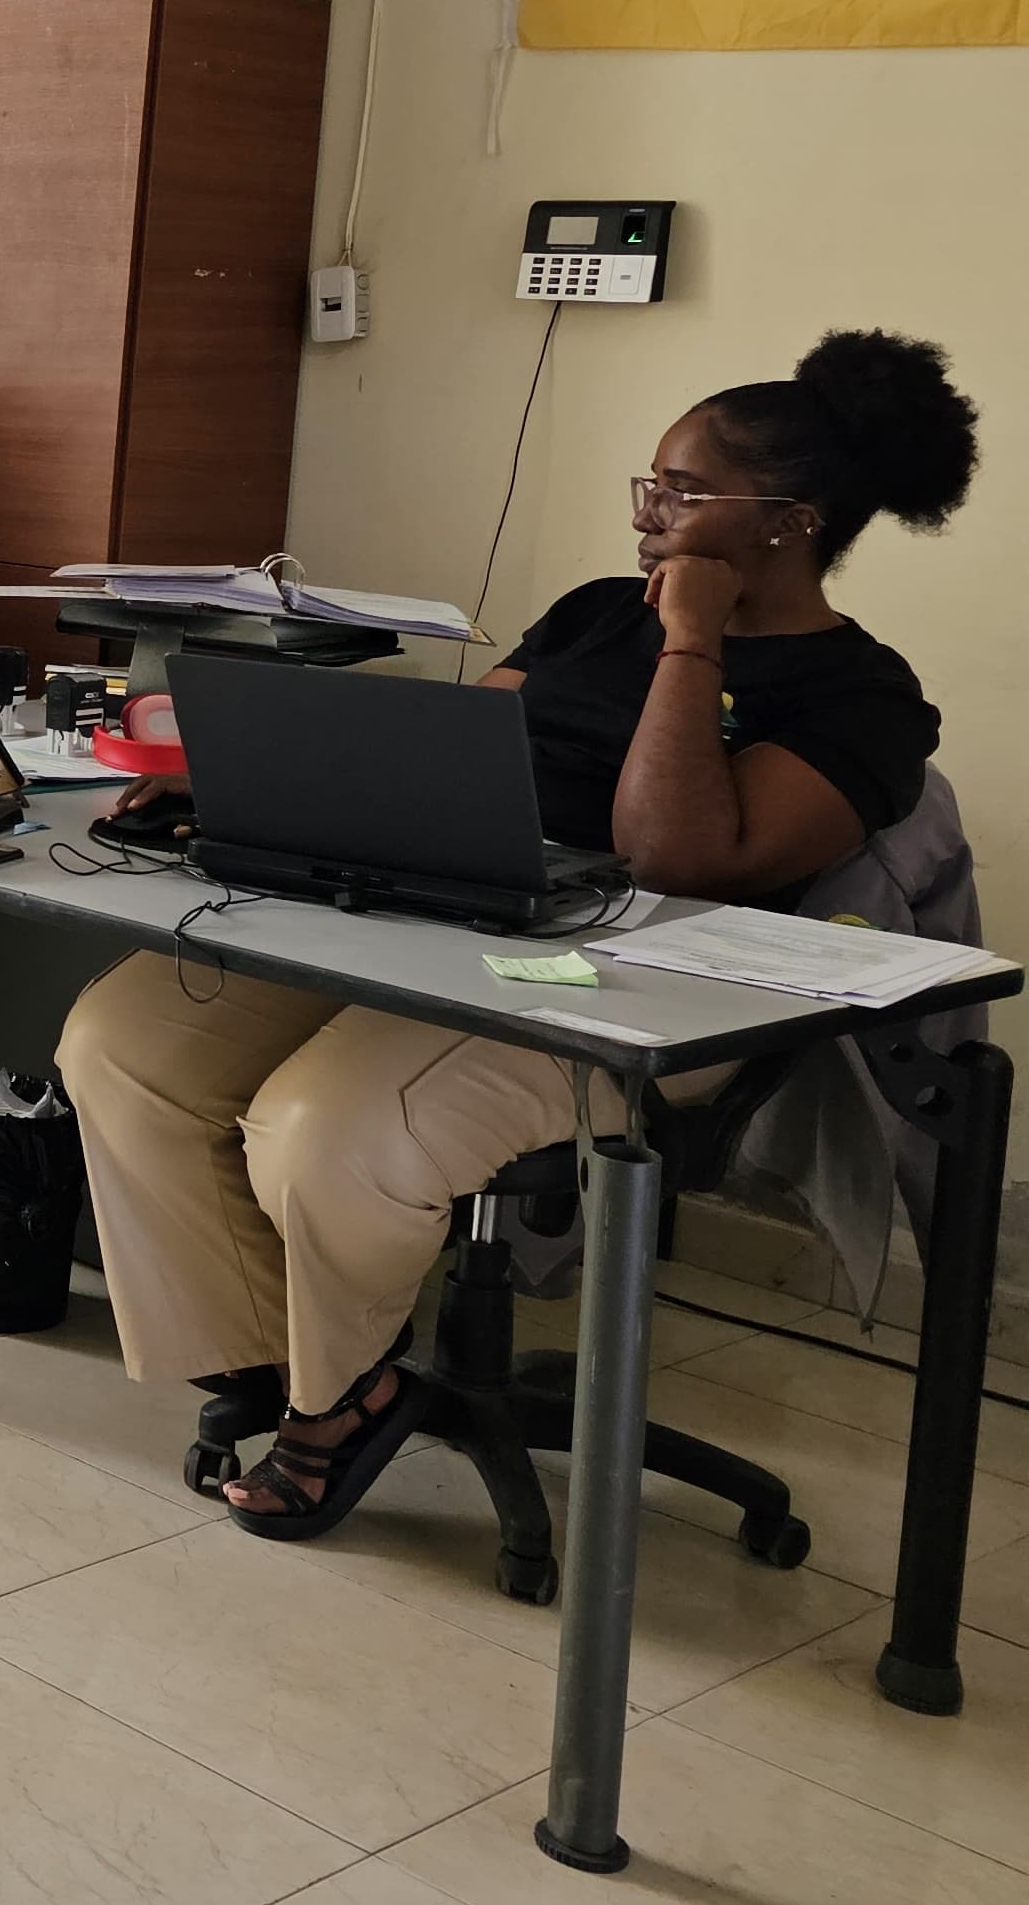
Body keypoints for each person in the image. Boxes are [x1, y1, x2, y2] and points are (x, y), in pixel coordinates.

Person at [59, 328, 977, 1541]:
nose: (646, 513)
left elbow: (678, 857)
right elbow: (449, 763)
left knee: (325, 1122)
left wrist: (691, 640)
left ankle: (337, 1402)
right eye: (649, 483)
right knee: (122, 1040)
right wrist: (233, 792)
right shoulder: (594, 615)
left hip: (639, 989)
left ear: (787, 523)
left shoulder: (864, 698)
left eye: (681, 491)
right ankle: (283, 1359)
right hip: (458, 913)